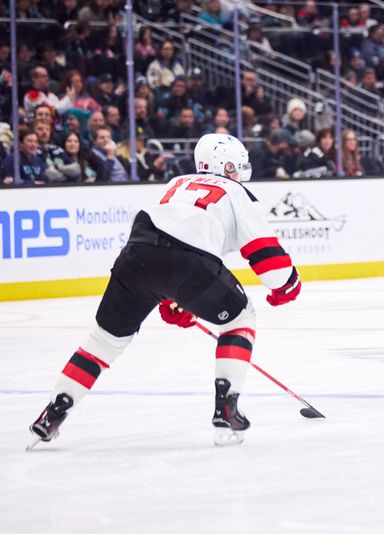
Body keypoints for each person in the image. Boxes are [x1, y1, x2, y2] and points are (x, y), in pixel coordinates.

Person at [28, 134, 302, 449]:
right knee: (240, 319)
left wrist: (172, 294)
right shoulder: (234, 191)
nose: (239, 174)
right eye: (236, 167)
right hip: (188, 263)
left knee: (102, 341)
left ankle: (53, 412)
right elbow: (266, 255)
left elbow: (161, 239)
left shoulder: (175, 184)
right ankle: (226, 408)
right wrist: (286, 284)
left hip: (135, 257)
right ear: (224, 167)